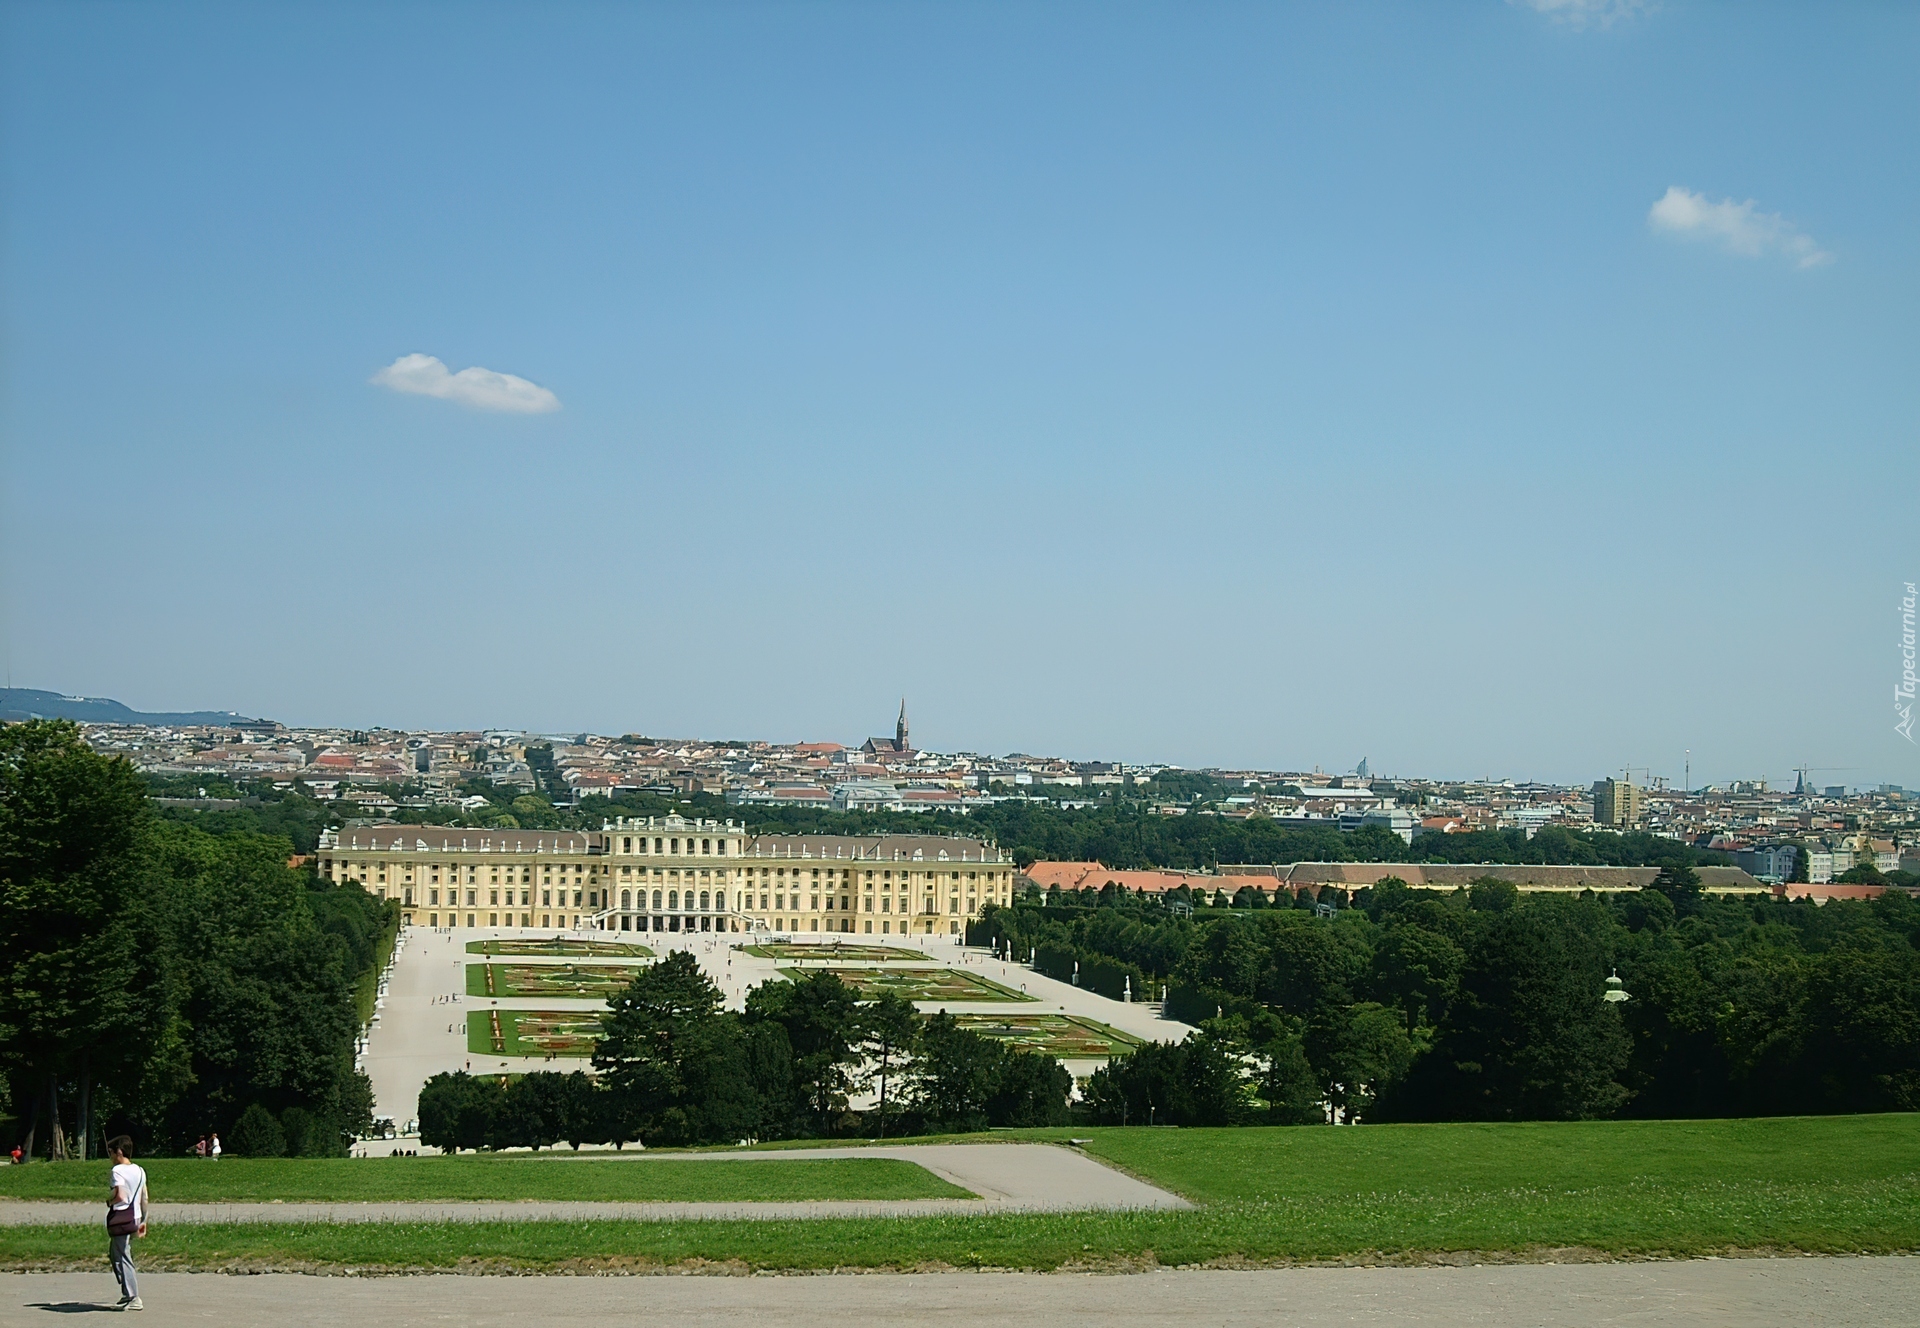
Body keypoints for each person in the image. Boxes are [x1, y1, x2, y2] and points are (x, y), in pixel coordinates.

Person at [105, 1135, 147, 1311]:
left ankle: (133, 1296)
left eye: (111, 1152)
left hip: (122, 1217)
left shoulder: (118, 1171)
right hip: (135, 1217)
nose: (110, 1157)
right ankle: (126, 1293)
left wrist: (110, 1202)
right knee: (116, 1254)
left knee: (122, 1255)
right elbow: (144, 1196)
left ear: (119, 1152)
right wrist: (144, 1220)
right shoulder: (139, 1170)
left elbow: (121, 1195)